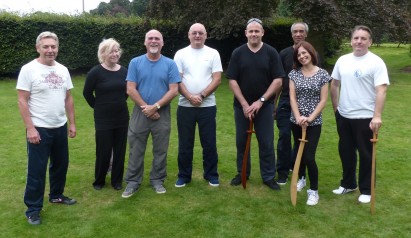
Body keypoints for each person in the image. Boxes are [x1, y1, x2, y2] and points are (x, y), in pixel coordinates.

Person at [17, 31, 77, 225]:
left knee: (60, 164)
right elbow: (22, 100)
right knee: (37, 170)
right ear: (38, 48)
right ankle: (33, 209)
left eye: (53, 46)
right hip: (39, 128)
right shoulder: (29, 69)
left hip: (60, 125)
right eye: (46, 47)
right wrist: (30, 128)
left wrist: (72, 123)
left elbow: (68, 98)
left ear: (57, 48)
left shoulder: (63, 70)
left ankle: (56, 195)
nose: (50, 50)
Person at [330, 25, 389, 204]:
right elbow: (334, 84)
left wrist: (377, 115)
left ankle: (366, 189)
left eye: (364, 38)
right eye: (356, 38)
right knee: (346, 152)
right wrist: (336, 108)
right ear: (351, 40)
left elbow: (382, 90)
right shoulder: (343, 60)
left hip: (366, 117)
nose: (359, 41)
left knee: (366, 154)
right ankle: (348, 183)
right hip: (345, 115)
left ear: (370, 42)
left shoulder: (376, 62)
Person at [226, 18, 284, 190]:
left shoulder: (271, 52)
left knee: (266, 142)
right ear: (246, 33)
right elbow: (232, 80)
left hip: (264, 107)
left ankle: (268, 176)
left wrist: (260, 102)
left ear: (262, 32)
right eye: (250, 31)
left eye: (256, 31)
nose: (253, 34)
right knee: (242, 142)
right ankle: (242, 172)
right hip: (241, 107)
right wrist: (245, 104)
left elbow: (278, 81)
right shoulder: (238, 53)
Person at [122, 29, 181, 198]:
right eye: (150, 38)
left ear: (162, 43)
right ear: (145, 42)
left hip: (162, 113)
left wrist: (155, 107)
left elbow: (174, 90)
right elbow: (130, 88)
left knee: (160, 149)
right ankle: (133, 182)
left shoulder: (170, 64)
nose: (154, 41)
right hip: (140, 113)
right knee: (135, 148)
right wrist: (146, 108)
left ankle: (157, 180)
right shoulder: (135, 62)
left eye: (157, 39)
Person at [173, 23, 223, 188]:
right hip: (185, 106)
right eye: (194, 33)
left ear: (205, 35)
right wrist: (189, 97)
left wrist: (201, 96)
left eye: (200, 33)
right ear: (189, 35)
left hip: (207, 106)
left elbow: (217, 79)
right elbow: (177, 79)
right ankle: (184, 176)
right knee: (185, 143)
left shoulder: (213, 53)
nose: (197, 36)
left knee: (209, 143)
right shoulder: (180, 54)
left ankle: (211, 175)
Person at [83, 38, 129, 191]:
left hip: (122, 117)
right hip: (103, 118)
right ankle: (99, 180)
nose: (115, 54)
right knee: (103, 150)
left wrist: (118, 103)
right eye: (112, 51)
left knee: (120, 150)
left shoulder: (124, 71)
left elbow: (126, 92)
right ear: (103, 53)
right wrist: (98, 106)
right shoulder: (95, 72)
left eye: (117, 51)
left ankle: (117, 181)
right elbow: (87, 93)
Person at [289, 41, 331, 206]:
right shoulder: (294, 74)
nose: (302, 56)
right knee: (299, 153)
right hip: (296, 121)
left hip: (313, 123)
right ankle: (301, 178)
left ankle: (313, 191)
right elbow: (292, 97)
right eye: (299, 55)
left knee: (308, 156)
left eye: (304, 53)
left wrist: (310, 118)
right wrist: (299, 117)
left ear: (311, 53)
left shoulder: (322, 74)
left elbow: (323, 100)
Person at [276, 22, 310, 185]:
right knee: (284, 136)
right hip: (285, 101)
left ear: (306, 34)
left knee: (300, 138)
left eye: (301, 31)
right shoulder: (283, 54)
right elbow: (278, 80)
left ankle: (296, 168)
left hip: (304, 103)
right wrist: (274, 105)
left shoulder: (311, 53)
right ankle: (282, 171)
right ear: (291, 35)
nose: (298, 34)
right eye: (295, 32)